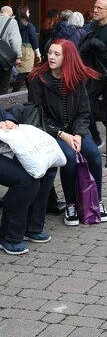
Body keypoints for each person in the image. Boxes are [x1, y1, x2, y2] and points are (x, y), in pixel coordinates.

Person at [28, 39, 107, 227]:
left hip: (76, 131)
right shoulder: (38, 80)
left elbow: (83, 112)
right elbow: (37, 115)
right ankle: (71, 204)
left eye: (57, 54)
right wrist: (61, 134)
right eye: (49, 53)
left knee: (93, 155)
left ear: (68, 57)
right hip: (50, 132)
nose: (51, 57)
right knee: (68, 158)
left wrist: (79, 135)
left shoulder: (77, 79)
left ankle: (96, 201)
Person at [0, 105, 57, 254]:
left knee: (45, 167)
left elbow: (2, 111)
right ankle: (9, 236)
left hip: (4, 143)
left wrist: (8, 120)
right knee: (25, 180)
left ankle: (31, 227)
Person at [78, 0, 107, 147]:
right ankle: (96, 138)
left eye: (99, 8)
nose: (95, 10)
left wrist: (94, 50)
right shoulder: (92, 26)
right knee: (85, 106)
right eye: (95, 6)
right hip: (94, 75)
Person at [12, 4, 40, 92]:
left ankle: (32, 93)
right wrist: (38, 54)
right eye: (28, 12)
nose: (29, 13)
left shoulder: (14, 23)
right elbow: (34, 40)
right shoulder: (29, 25)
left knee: (27, 72)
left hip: (16, 49)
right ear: (24, 13)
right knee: (23, 72)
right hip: (27, 50)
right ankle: (14, 93)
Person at [0, 6, 22, 95]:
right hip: (5, 59)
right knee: (3, 86)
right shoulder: (12, 22)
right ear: (11, 14)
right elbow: (15, 41)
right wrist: (18, 57)